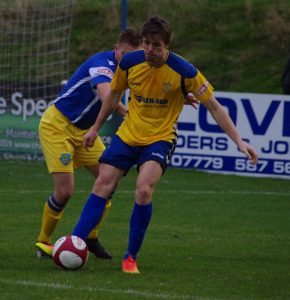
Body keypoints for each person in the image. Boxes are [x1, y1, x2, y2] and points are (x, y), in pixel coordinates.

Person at [71, 16, 258, 274]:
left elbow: (214, 107)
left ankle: (130, 258)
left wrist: (239, 142)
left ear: (167, 45)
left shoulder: (185, 71)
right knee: (103, 182)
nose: (149, 50)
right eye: (146, 43)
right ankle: (74, 245)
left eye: (156, 45)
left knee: (144, 189)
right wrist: (94, 128)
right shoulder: (129, 62)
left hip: (160, 138)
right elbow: (113, 95)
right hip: (128, 134)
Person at [35, 29, 142, 259]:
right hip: (57, 126)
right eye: (126, 54)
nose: (130, 59)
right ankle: (43, 241)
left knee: (109, 180)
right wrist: (130, 114)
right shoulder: (101, 64)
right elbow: (107, 96)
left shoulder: (132, 69)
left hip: (84, 132)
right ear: (117, 49)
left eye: (135, 55)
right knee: (65, 191)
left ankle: (90, 237)